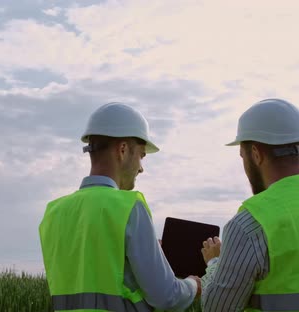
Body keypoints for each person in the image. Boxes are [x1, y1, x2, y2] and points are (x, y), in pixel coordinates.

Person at [201, 98, 299, 311]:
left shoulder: (251, 223)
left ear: (256, 154)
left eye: (243, 156)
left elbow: (217, 308)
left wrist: (214, 264)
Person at [39, 102, 201, 311]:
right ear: (123, 150)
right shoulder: (129, 207)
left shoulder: (53, 213)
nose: (141, 168)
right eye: (141, 155)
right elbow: (166, 297)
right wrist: (193, 285)